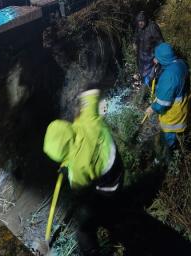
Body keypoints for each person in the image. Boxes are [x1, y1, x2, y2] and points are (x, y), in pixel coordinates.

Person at [43, 87, 124, 256]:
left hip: (106, 185)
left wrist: (67, 172)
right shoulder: (86, 121)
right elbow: (92, 96)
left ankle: (92, 250)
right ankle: (114, 219)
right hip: (116, 166)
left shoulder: (77, 169)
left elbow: (81, 192)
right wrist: (86, 92)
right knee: (113, 205)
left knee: (84, 227)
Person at [145, 42, 190, 154]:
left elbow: (163, 104)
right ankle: (178, 145)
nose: (155, 59)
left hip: (173, 113)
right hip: (183, 105)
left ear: (163, 58)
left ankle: (167, 157)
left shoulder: (169, 76)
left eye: (157, 57)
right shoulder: (181, 63)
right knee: (177, 134)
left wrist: (153, 108)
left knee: (168, 137)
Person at [133, 11, 164, 86]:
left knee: (151, 76)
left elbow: (160, 42)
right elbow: (136, 36)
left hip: (151, 57)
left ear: (146, 20)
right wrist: (134, 42)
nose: (140, 23)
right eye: (139, 21)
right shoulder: (139, 27)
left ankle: (150, 89)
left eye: (142, 21)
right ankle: (144, 85)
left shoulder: (152, 27)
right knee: (142, 73)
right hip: (141, 56)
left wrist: (158, 56)